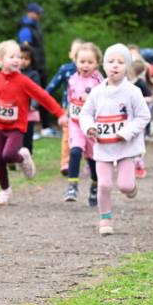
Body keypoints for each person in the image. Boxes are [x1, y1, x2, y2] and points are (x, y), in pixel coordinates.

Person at [0, 40, 67, 205]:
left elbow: (43, 96)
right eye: (12, 56)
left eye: (18, 56)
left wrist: (60, 113)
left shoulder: (23, 80)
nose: (17, 60)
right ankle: (5, 190)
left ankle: (23, 158)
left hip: (16, 127)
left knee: (9, 155)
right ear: (0, 61)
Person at [79, 44, 151, 236]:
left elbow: (144, 116)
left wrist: (127, 131)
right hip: (103, 147)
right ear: (104, 66)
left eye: (120, 62)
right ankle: (105, 219)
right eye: (111, 62)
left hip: (126, 146)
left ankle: (132, 187)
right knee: (104, 184)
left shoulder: (133, 91)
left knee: (125, 185)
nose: (115, 66)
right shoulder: (96, 92)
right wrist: (89, 127)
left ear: (127, 67)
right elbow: (85, 114)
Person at [63, 42, 104, 206]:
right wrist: (66, 113)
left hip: (92, 126)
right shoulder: (72, 79)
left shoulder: (98, 80)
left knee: (93, 160)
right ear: (75, 61)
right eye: (82, 61)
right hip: (76, 124)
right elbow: (70, 99)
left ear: (97, 63)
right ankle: (72, 186)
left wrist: (92, 101)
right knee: (74, 152)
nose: (85, 65)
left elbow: (105, 100)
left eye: (90, 62)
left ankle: (95, 186)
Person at [17, 2, 56, 137]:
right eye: (37, 13)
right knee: (32, 99)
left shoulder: (36, 26)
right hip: (33, 70)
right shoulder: (26, 29)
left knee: (43, 96)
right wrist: (30, 67)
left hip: (40, 67)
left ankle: (45, 127)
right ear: (30, 12)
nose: (39, 15)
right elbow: (25, 50)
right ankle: (30, 129)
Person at [45, 37, 83, 175]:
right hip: (68, 109)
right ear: (70, 54)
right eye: (76, 51)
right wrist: (40, 98)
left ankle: (92, 162)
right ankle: (66, 163)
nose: (79, 54)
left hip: (87, 110)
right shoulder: (66, 69)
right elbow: (52, 86)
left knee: (89, 137)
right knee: (68, 136)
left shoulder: (92, 72)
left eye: (82, 51)